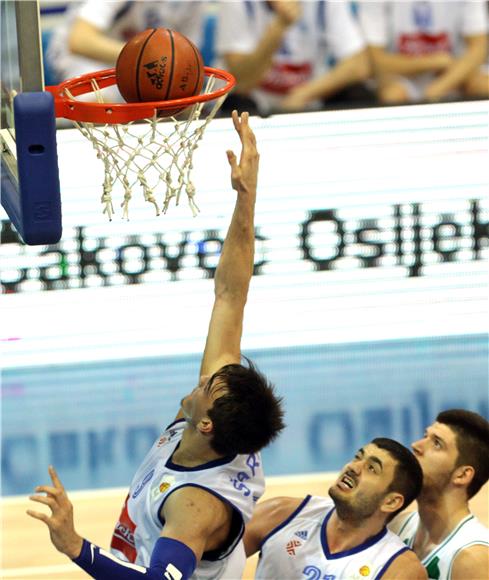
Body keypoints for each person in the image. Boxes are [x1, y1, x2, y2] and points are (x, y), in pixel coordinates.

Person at [27, 111, 285, 580]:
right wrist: (246, 198)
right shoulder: (217, 425)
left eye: (210, 385)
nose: (205, 376)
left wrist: (75, 547)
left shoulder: (194, 507)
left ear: (206, 423)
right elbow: (231, 293)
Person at [244, 437, 427, 579]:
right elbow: (216, 560)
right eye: (358, 457)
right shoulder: (282, 514)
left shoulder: (399, 569)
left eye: (371, 468)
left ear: (391, 502)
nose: (353, 467)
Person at [215, 0, 371, 116]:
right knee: (237, 107)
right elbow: (243, 82)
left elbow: (359, 65)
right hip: (252, 100)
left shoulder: (326, 3)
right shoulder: (236, 3)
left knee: (358, 93)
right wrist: (279, 27)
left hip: (306, 96)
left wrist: (303, 94)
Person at [391, 409, 489, 579]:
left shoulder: (473, 559)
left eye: (437, 443)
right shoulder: (398, 526)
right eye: (425, 436)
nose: (416, 445)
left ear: (462, 475)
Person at [46, 0, 206, 100]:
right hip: (86, 58)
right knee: (98, 101)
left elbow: (188, 55)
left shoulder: (193, 3)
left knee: (183, 96)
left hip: (146, 63)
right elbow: (79, 41)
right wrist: (143, 56)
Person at [356, 1, 489, 104]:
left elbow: (478, 49)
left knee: (484, 86)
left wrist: (439, 87)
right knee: (392, 95)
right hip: (403, 76)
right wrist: (434, 62)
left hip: (453, 72)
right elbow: (377, 62)